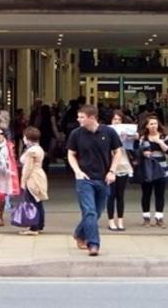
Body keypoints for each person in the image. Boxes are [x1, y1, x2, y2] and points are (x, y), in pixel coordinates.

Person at [66, 105, 125, 257]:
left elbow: (118, 152)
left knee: (97, 212)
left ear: (92, 118)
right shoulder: (76, 134)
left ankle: (79, 233)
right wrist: (77, 171)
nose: (78, 120)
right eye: (78, 117)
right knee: (90, 211)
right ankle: (93, 244)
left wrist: (112, 171)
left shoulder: (108, 132)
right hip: (84, 179)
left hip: (104, 178)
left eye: (81, 117)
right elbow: (71, 154)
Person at [137, 115, 168, 228]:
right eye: (151, 124)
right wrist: (143, 153)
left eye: (155, 123)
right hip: (147, 169)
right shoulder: (143, 138)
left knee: (160, 194)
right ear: (147, 126)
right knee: (146, 194)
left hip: (161, 169)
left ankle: (159, 217)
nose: (154, 126)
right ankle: (146, 218)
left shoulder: (164, 137)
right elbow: (137, 151)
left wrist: (160, 142)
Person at [108, 110, 135, 231]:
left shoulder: (125, 132)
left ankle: (120, 221)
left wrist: (131, 136)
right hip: (110, 165)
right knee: (110, 195)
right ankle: (111, 221)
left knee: (120, 195)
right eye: (115, 119)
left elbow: (134, 143)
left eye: (119, 119)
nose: (117, 122)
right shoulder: (106, 132)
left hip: (123, 164)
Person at [19, 127, 48, 235]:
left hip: (32, 176)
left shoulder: (31, 151)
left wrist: (23, 180)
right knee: (38, 201)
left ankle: (34, 227)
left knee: (31, 201)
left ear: (27, 138)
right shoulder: (39, 148)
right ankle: (39, 224)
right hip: (39, 174)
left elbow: (28, 167)